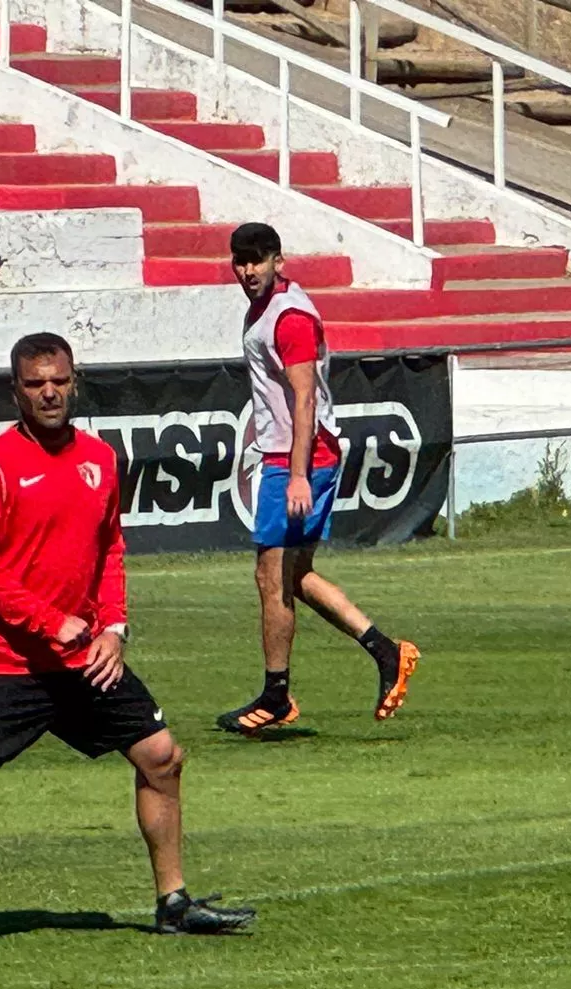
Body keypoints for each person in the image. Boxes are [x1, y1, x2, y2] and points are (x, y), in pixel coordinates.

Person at [0, 333, 254, 941]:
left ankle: (173, 902)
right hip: (7, 660)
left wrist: (112, 629)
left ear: (75, 381)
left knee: (162, 756)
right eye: (36, 383)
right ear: (15, 391)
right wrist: (50, 620)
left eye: (59, 380)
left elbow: (110, 548)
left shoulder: (98, 458)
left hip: (84, 659)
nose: (49, 392)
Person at [220, 222, 419, 734]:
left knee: (270, 576)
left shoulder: (287, 318)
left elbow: (305, 398)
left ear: (278, 261)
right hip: (297, 456)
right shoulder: (272, 307)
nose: (248, 270)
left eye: (257, 260)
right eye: (240, 261)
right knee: (294, 576)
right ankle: (386, 651)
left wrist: (298, 476)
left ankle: (276, 695)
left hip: (297, 461)